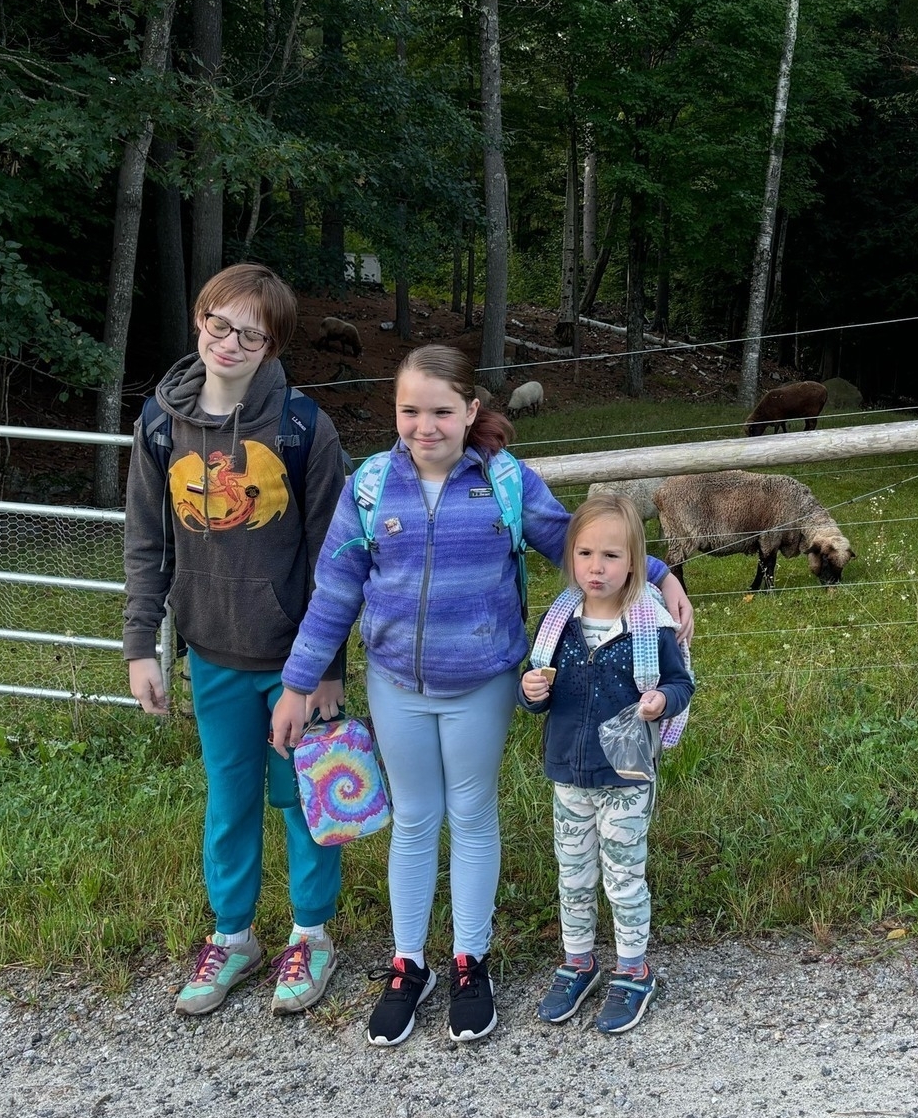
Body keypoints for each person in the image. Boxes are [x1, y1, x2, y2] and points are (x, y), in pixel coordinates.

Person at [275, 344, 693, 1047]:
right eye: (410, 410)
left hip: (483, 684)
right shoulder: (370, 485)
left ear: (471, 412)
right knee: (413, 819)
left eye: (441, 411)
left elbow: (575, 541)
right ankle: (409, 966)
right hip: (396, 686)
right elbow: (337, 589)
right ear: (395, 410)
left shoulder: (504, 482)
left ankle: (472, 960)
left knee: (470, 814)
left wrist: (657, 572)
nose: (425, 425)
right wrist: (297, 682)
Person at [122, 264, 350, 1020]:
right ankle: (235, 936)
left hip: (295, 662)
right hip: (210, 655)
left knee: (304, 799)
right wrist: (140, 647)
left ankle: (311, 935)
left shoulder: (304, 428)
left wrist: (322, 672)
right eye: (220, 324)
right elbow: (144, 544)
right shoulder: (158, 424)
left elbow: (335, 557)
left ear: (272, 343)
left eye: (251, 333)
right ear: (200, 320)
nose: (231, 341)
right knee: (230, 802)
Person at [519, 493, 692, 1034]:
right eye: (586, 553)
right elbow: (538, 692)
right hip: (568, 774)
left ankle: (633, 969)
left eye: (612, 556)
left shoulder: (650, 624)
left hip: (625, 778)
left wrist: (662, 701)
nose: (597, 567)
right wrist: (530, 692)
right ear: (571, 556)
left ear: (635, 565)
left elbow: (680, 682)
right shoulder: (559, 623)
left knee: (622, 875)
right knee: (572, 874)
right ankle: (578, 961)